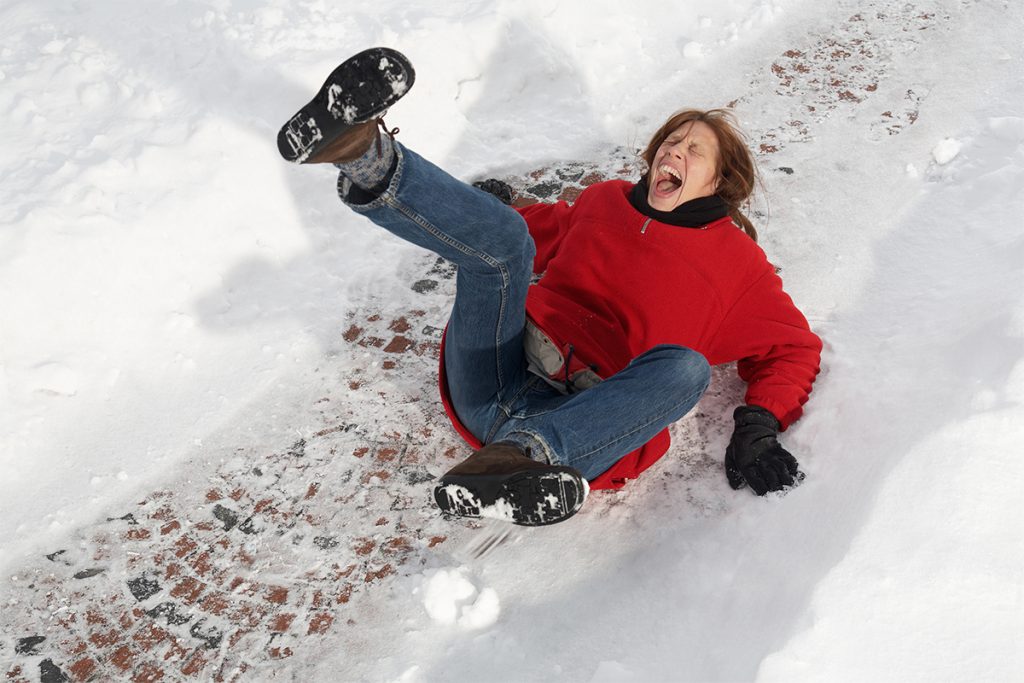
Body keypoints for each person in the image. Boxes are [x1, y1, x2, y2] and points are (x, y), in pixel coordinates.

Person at [277, 48, 822, 527]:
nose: (672, 152)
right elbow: (536, 230)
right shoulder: (605, 201)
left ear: (719, 181)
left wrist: (759, 423)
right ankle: (363, 154)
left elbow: (795, 347)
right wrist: (492, 214)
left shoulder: (738, 266)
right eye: (670, 141)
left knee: (686, 369)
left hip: (583, 430)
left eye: (693, 150)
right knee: (505, 242)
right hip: (495, 379)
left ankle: (517, 467)